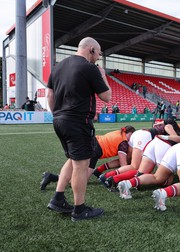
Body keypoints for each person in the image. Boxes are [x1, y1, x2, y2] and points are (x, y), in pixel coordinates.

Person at [46, 37, 111, 221]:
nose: (98, 57)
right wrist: (103, 75)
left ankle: (58, 198)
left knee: (73, 159)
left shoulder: (58, 66)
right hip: (78, 122)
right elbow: (106, 96)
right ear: (91, 49)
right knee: (81, 166)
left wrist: (57, 114)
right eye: (98, 53)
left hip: (59, 120)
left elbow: (50, 94)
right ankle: (79, 210)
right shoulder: (89, 68)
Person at [40, 126, 135, 190]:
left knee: (76, 171)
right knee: (79, 181)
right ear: (130, 134)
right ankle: (51, 177)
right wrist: (127, 177)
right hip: (94, 150)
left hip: (92, 145)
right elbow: (123, 164)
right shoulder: (123, 142)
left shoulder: (119, 133)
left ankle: (51, 177)